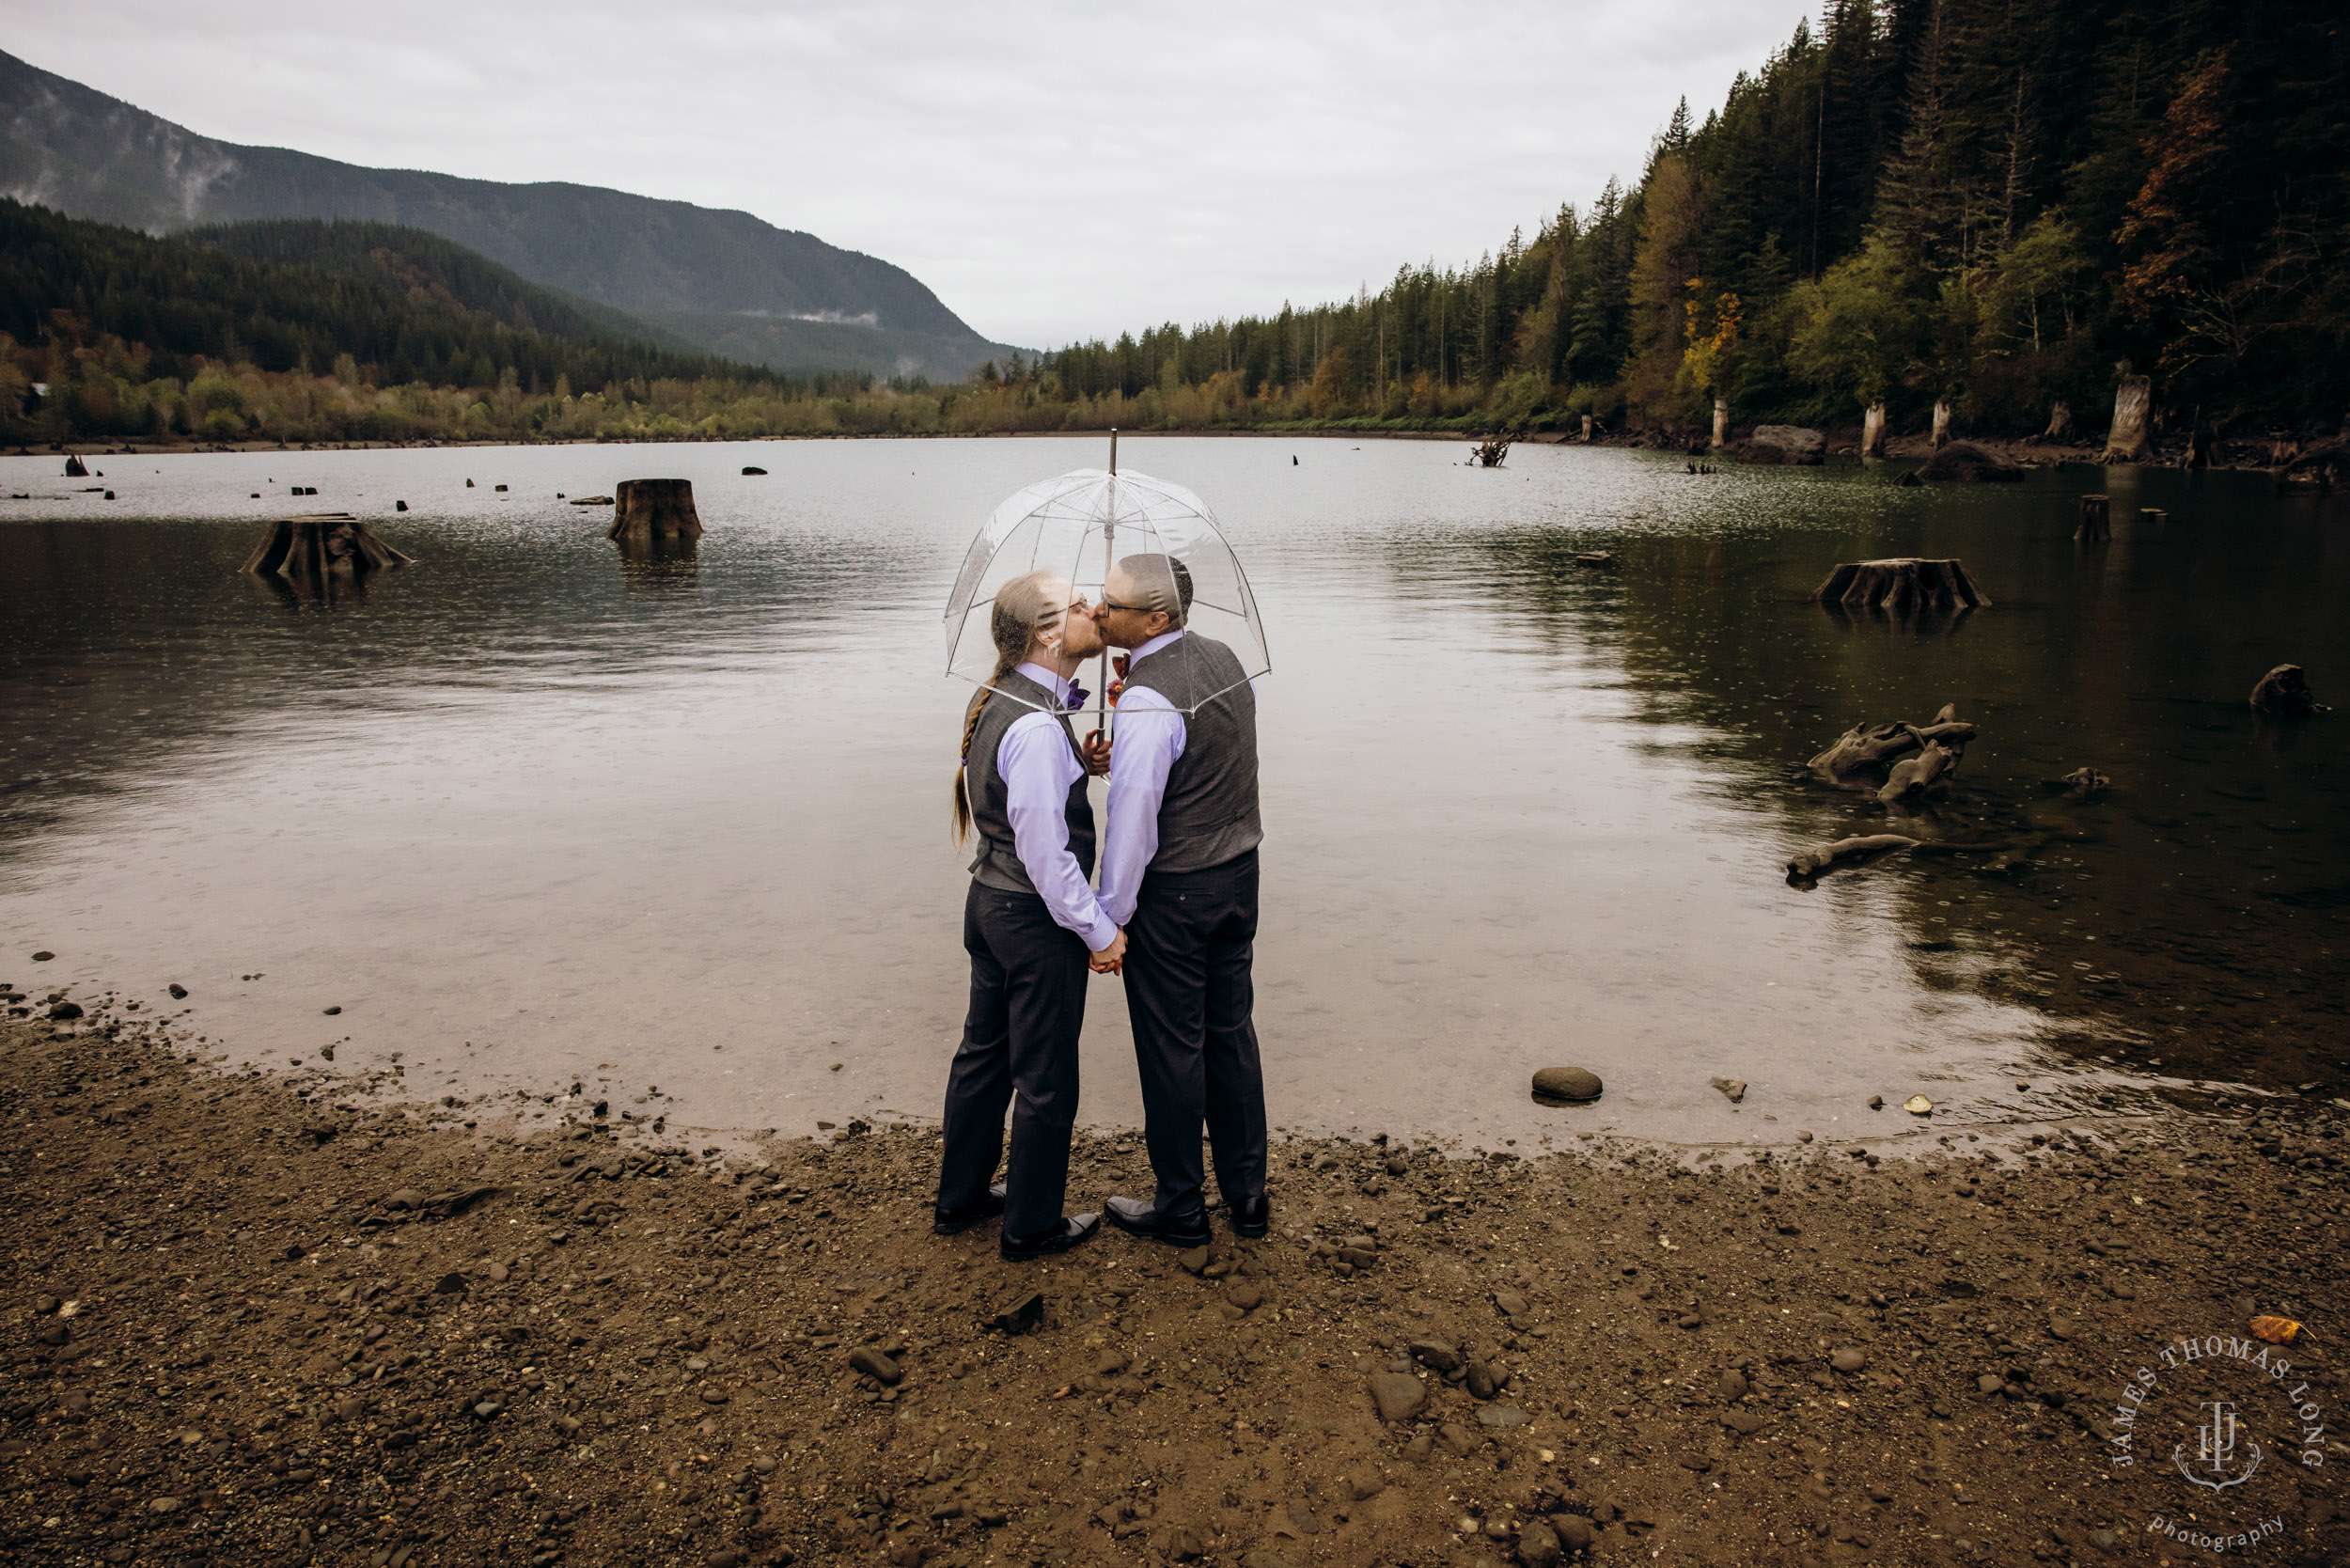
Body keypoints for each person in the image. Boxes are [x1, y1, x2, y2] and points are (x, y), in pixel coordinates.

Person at [938, 571, 1125, 1262]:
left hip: (987, 905)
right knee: (1045, 1077)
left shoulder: (1009, 704)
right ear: (1049, 634)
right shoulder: (1037, 728)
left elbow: (1022, 802)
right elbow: (1048, 856)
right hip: (1031, 919)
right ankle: (1030, 1226)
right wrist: (1099, 932)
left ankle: (960, 1198)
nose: (1096, 611)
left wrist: (1082, 762)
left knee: (983, 1058)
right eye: (1080, 606)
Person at [1091, 554, 1269, 1246]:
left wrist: (1109, 916)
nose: (1100, 613)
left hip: (1177, 892)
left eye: (1112, 606)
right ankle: (1248, 1199)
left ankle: (1182, 1208)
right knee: (1230, 1036)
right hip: (1239, 873)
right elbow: (1209, 763)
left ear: (1157, 616)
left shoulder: (1146, 697)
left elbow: (1135, 821)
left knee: (1171, 1049)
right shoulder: (1224, 658)